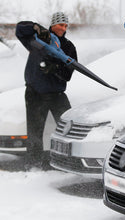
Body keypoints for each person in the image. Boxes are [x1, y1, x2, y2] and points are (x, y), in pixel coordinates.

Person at [15, 12, 77, 169]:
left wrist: (54, 67)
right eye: (60, 25)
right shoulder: (38, 40)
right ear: (52, 25)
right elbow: (20, 29)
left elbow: (68, 74)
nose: (63, 28)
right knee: (35, 131)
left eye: (65, 25)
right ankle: (33, 165)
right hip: (34, 93)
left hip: (56, 95)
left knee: (70, 129)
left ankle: (72, 163)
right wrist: (36, 27)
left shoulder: (68, 47)